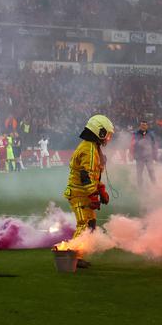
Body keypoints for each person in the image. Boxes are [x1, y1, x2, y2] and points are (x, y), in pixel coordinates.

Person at [63, 115, 114, 268]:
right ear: (99, 132)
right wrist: (94, 195)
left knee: (90, 225)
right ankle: (70, 258)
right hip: (79, 194)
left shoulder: (92, 147)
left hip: (83, 192)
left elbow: (92, 175)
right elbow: (85, 176)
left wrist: (101, 189)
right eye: (107, 134)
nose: (108, 139)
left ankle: (77, 256)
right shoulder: (89, 149)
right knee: (84, 224)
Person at [130, 120, 158, 187]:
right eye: (142, 125)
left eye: (145, 125)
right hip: (139, 156)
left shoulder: (151, 134)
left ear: (147, 126)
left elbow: (154, 145)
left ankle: (155, 185)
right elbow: (132, 144)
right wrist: (131, 154)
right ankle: (140, 186)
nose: (143, 126)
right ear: (140, 126)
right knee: (139, 173)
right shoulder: (135, 134)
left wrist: (155, 155)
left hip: (149, 156)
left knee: (151, 171)